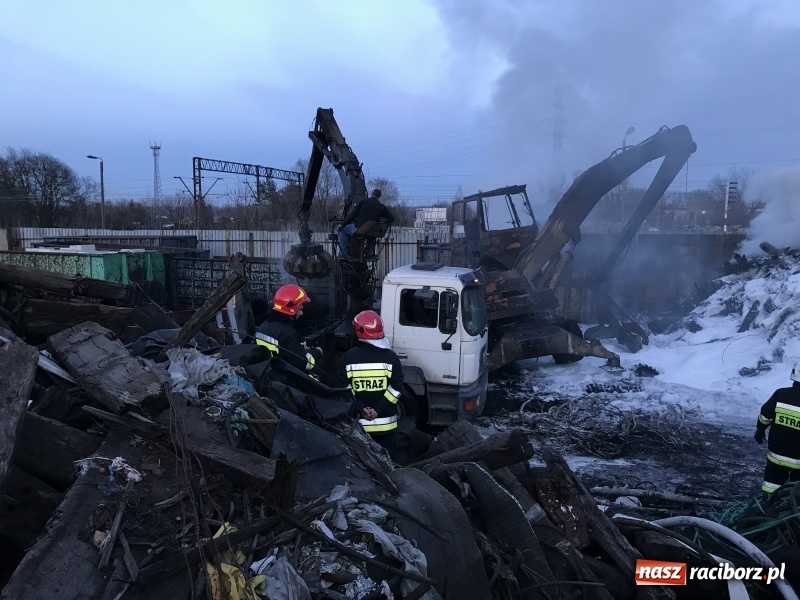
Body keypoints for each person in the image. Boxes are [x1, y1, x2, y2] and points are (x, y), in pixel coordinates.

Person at [336, 310, 403, 461]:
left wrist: (361, 408)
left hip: (359, 428)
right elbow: (397, 388)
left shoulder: (348, 357)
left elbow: (343, 390)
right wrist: (378, 410)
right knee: (390, 467)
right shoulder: (391, 357)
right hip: (387, 428)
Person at [255, 284, 322, 376]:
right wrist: (316, 352)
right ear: (291, 310)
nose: (302, 313)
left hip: (268, 377)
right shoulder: (287, 334)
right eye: (300, 309)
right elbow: (304, 364)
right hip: (285, 384)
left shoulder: (264, 326)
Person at [754, 361, 800, 494]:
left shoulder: (781, 394)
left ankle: (766, 508)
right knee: (796, 493)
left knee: (770, 486)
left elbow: (765, 416)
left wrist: (760, 430)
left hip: (777, 457)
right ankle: (790, 510)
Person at [338, 189, 395, 257]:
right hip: (371, 232)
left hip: (359, 229)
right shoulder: (381, 206)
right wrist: (382, 223)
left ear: (372, 194)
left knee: (344, 230)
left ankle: (344, 253)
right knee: (373, 235)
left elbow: (352, 215)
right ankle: (368, 253)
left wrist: (342, 225)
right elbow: (391, 218)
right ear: (379, 196)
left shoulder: (363, 202)